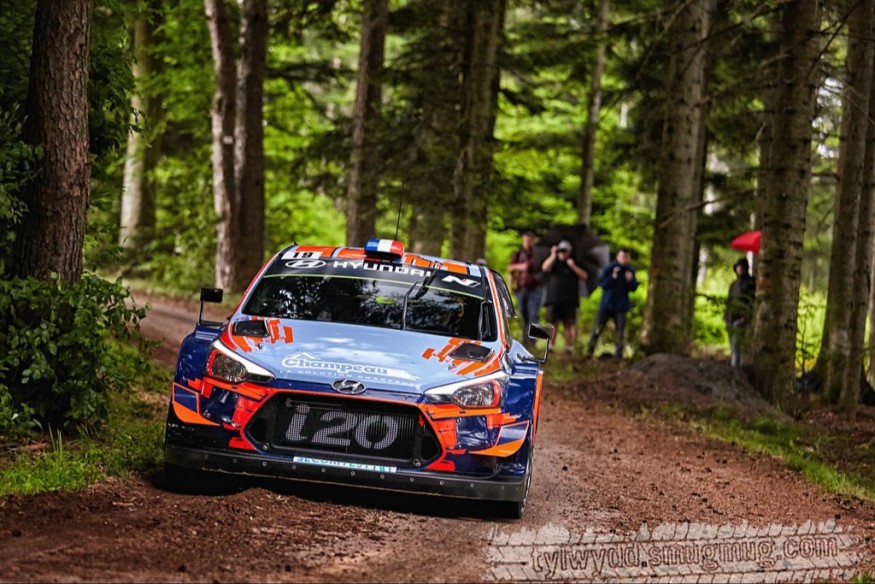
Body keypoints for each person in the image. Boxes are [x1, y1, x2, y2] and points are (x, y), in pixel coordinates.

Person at [587, 248, 638, 359]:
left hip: (621, 306)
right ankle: (589, 351)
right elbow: (602, 284)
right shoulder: (609, 268)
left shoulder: (630, 271)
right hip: (607, 304)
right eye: (622, 256)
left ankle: (618, 355)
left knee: (620, 332)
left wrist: (630, 280)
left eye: (626, 257)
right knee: (597, 328)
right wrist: (613, 277)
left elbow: (634, 287)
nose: (624, 259)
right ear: (617, 256)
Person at [541, 240, 588, 353]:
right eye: (560, 251)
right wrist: (553, 255)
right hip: (554, 298)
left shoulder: (575, 262)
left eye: (564, 251)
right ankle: (550, 345)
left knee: (569, 323)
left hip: (570, 299)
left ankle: (569, 347)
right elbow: (545, 268)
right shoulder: (554, 262)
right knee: (553, 323)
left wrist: (573, 266)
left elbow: (584, 276)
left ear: (569, 252)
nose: (562, 253)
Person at [508, 231, 544, 342]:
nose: (527, 243)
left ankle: (532, 340)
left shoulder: (537, 254)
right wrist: (510, 286)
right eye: (525, 240)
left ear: (534, 241)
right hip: (521, 289)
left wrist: (515, 267)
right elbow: (510, 269)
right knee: (523, 315)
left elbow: (528, 266)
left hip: (535, 289)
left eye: (529, 240)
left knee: (533, 315)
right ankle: (525, 340)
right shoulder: (518, 254)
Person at [725, 257, 756, 368]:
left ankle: (736, 367)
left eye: (742, 267)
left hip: (742, 319)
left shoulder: (751, 283)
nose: (740, 269)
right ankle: (736, 366)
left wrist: (747, 316)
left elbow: (752, 301)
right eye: (739, 267)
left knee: (737, 344)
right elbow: (729, 301)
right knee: (733, 346)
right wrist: (726, 316)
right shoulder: (734, 285)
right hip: (731, 318)